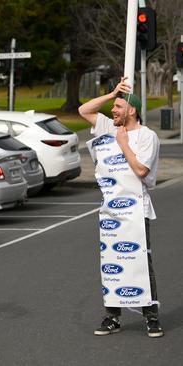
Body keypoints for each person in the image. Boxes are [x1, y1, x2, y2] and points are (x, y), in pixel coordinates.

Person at [78, 77, 163, 338]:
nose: (112, 111)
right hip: (111, 211)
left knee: (140, 261)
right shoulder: (107, 128)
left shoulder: (147, 136)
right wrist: (112, 92)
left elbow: (140, 170)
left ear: (132, 110)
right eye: (113, 107)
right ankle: (112, 316)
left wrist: (124, 144)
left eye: (117, 107)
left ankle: (151, 316)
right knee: (111, 260)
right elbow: (84, 110)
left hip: (137, 209)